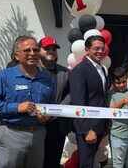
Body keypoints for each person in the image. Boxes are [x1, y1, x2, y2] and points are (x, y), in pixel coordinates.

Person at [0, 35, 54, 168]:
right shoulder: (4, 76)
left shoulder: (47, 78)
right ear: (16, 56)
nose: (32, 53)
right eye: (27, 50)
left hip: (38, 133)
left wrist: (47, 117)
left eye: (36, 50)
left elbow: (50, 104)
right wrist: (16, 107)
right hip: (12, 133)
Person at [69, 35, 108, 168]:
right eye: (96, 48)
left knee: (89, 162)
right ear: (87, 50)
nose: (100, 51)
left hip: (99, 125)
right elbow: (78, 102)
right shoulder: (80, 70)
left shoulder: (102, 69)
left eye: (102, 48)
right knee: (86, 163)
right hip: (87, 127)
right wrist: (87, 130)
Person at [38, 37, 71, 168]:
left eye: (54, 49)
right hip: (36, 124)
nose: (51, 51)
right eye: (46, 49)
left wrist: (59, 110)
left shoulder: (66, 72)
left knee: (53, 162)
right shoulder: (32, 70)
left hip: (57, 125)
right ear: (39, 50)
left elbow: (72, 93)